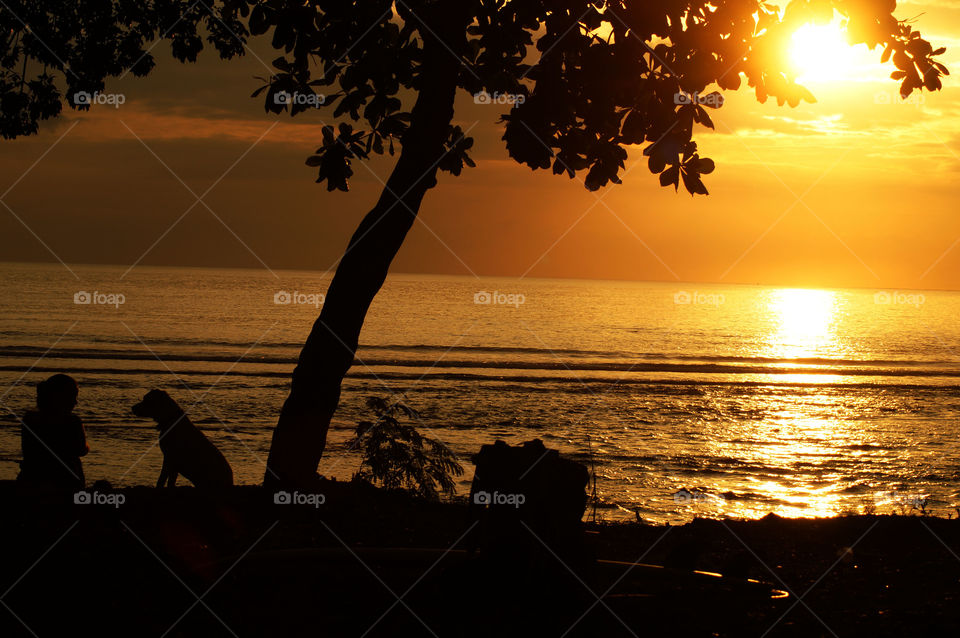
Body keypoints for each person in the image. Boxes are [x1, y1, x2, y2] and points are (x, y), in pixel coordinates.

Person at [18, 374, 88, 490]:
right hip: (64, 482)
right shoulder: (72, 421)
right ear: (61, 397)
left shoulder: (29, 419)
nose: (75, 402)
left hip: (30, 479)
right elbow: (81, 450)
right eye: (73, 397)